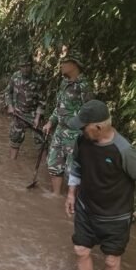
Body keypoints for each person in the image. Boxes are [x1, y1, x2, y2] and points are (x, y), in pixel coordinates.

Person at [65, 100, 136, 270]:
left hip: (116, 216)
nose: (80, 131)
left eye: (84, 127)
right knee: (81, 250)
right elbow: (77, 166)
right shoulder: (82, 140)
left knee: (112, 261)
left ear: (98, 127)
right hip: (86, 208)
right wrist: (71, 193)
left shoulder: (123, 150)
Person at [42, 50, 94, 195]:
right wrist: (50, 122)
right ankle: (55, 196)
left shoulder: (84, 86)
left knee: (73, 170)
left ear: (74, 65)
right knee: (53, 164)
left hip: (75, 134)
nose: (61, 66)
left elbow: (90, 111)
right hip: (59, 131)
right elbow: (60, 106)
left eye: (65, 63)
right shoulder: (64, 83)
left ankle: (72, 201)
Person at [5, 54, 46, 160]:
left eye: (28, 66)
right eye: (23, 66)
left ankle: (44, 167)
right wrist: (10, 106)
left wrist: (37, 117)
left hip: (33, 115)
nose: (25, 69)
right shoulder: (15, 76)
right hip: (18, 114)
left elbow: (42, 101)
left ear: (32, 66)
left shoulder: (38, 79)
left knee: (40, 141)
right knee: (15, 140)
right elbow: (8, 92)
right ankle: (12, 165)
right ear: (19, 67)